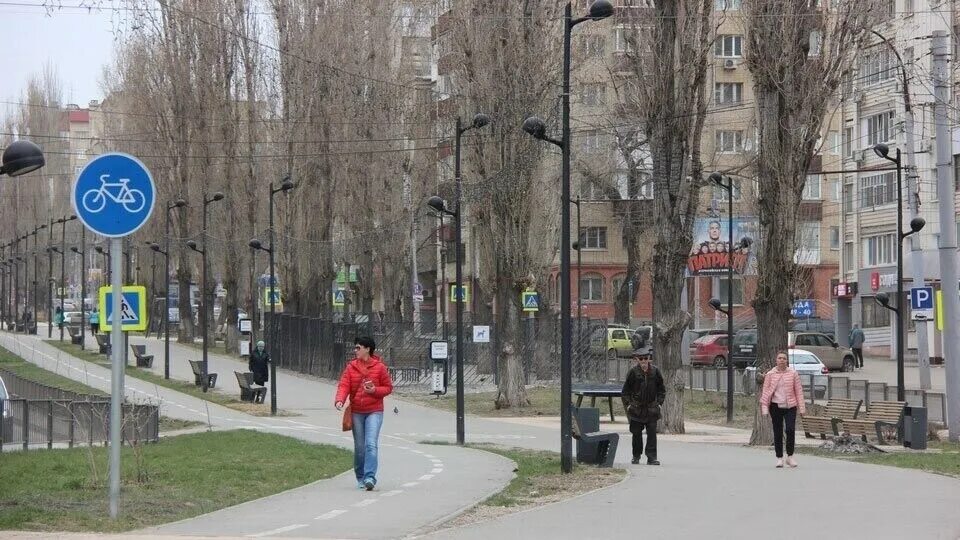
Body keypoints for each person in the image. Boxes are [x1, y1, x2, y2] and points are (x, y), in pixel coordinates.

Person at [335, 336, 393, 491]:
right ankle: (360, 476)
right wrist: (339, 400)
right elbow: (344, 385)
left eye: (358, 348)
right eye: (355, 348)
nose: (355, 350)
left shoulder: (379, 367)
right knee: (360, 447)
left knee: (371, 444)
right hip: (357, 412)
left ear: (367, 349)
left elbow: (388, 387)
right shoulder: (351, 367)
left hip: (374, 411)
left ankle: (369, 477)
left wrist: (374, 390)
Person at [759, 350, 806, 468]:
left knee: (790, 430)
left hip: (790, 406)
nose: (782, 360)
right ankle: (779, 457)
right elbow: (765, 393)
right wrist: (765, 410)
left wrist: (802, 409)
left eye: (784, 358)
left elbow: (799, 391)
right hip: (775, 406)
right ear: (776, 360)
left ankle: (790, 456)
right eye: (779, 358)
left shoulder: (793, 373)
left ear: (787, 361)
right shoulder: (770, 374)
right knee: (778, 431)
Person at [621, 350, 665, 465]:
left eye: (646, 358)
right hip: (636, 409)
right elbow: (625, 391)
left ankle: (652, 458)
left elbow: (661, 389)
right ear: (637, 360)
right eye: (641, 359)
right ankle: (636, 456)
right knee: (636, 434)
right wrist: (629, 404)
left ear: (649, 358)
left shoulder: (655, 372)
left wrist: (659, 403)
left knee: (651, 434)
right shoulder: (633, 372)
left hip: (651, 409)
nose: (644, 361)